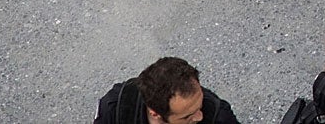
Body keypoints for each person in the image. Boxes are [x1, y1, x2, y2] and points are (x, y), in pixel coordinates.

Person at [93, 57, 241, 124]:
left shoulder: (219, 116)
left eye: (200, 105)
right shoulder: (115, 108)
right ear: (155, 113)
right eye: (187, 116)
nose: (200, 117)